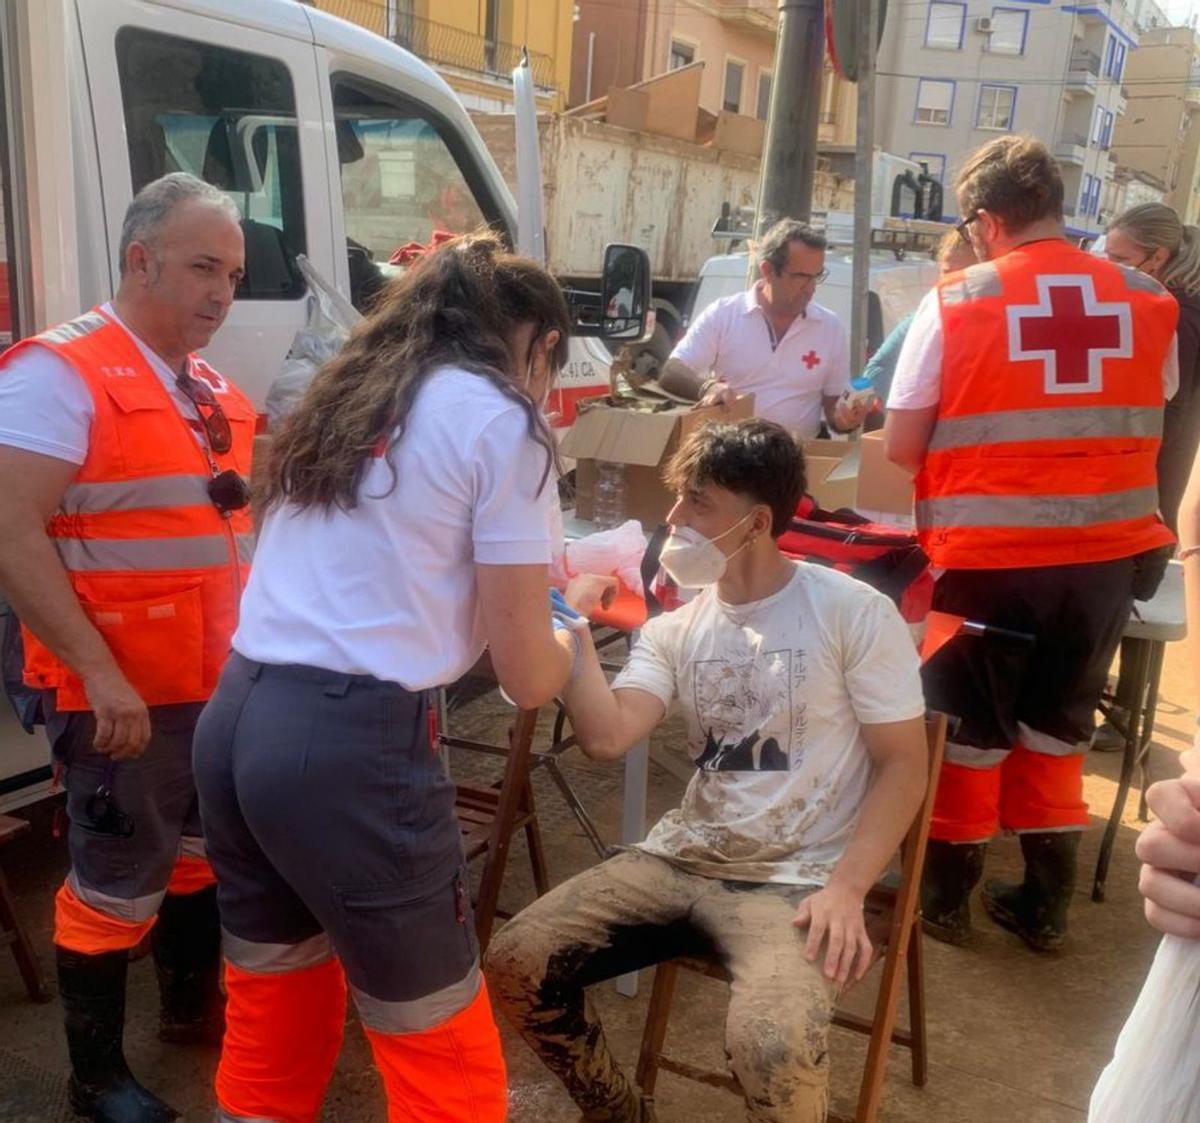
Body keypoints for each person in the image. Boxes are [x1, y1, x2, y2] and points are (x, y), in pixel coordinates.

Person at [192, 233, 606, 1123]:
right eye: (550, 362)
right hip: (351, 750)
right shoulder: (502, 421)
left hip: (239, 719)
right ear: (532, 345)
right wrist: (573, 635)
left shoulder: (353, 391)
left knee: (275, 1006)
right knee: (441, 1052)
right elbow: (530, 678)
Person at [487, 419, 928, 1123]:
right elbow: (606, 735)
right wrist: (572, 631)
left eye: (696, 502)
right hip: (684, 856)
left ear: (755, 522)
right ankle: (620, 1112)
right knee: (516, 961)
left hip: (798, 879)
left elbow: (905, 764)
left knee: (771, 1044)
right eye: (676, 499)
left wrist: (849, 887)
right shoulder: (676, 627)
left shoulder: (851, 612)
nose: (672, 520)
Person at [884, 136, 1179, 954]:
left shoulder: (958, 298)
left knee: (969, 727)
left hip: (989, 560)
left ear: (985, 220)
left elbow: (905, 444)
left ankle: (947, 896)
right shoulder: (1148, 299)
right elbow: (1150, 413)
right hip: (1105, 565)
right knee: (1060, 719)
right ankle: (1045, 903)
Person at [0, 173, 251, 1121]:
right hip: (118, 694)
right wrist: (100, 674)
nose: (220, 290)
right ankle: (94, 1076)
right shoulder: (57, 373)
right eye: (201, 266)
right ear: (140, 259)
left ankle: (190, 1004)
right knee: (111, 884)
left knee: (194, 851)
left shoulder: (211, 389)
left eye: (231, 271)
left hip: (210, 683)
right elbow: (8, 528)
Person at [1092, 202, 1200, 751]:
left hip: (1149, 477)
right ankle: (1122, 710)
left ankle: (1120, 715)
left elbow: (1160, 400)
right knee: (1136, 589)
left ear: (1157, 258)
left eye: (1120, 257)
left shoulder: (1171, 310)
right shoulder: (1182, 302)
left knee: (1129, 591)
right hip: (1162, 473)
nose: (1108, 266)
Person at [659, 219, 868, 437]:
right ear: (767, 270)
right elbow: (671, 372)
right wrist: (708, 388)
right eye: (801, 276)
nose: (811, 287)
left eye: (817, 276)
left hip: (796, 461)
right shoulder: (724, 314)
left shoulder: (830, 327)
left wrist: (845, 419)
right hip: (730, 456)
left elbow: (833, 407)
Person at [855, 229, 977, 420]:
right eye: (946, 272)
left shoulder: (999, 320)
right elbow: (875, 372)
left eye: (962, 274)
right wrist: (919, 410)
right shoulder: (923, 318)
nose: (950, 282)